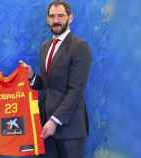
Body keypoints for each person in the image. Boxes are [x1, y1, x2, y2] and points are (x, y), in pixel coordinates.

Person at [23, 1, 91, 158]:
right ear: (47, 19)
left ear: (70, 18)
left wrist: (55, 121)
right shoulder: (45, 47)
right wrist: (32, 77)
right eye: (52, 16)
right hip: (47, 129)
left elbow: (76, 89)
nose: (56, 20)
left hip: (70, 129)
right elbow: (49, 87)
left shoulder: (80, 46)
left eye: (61, 15)